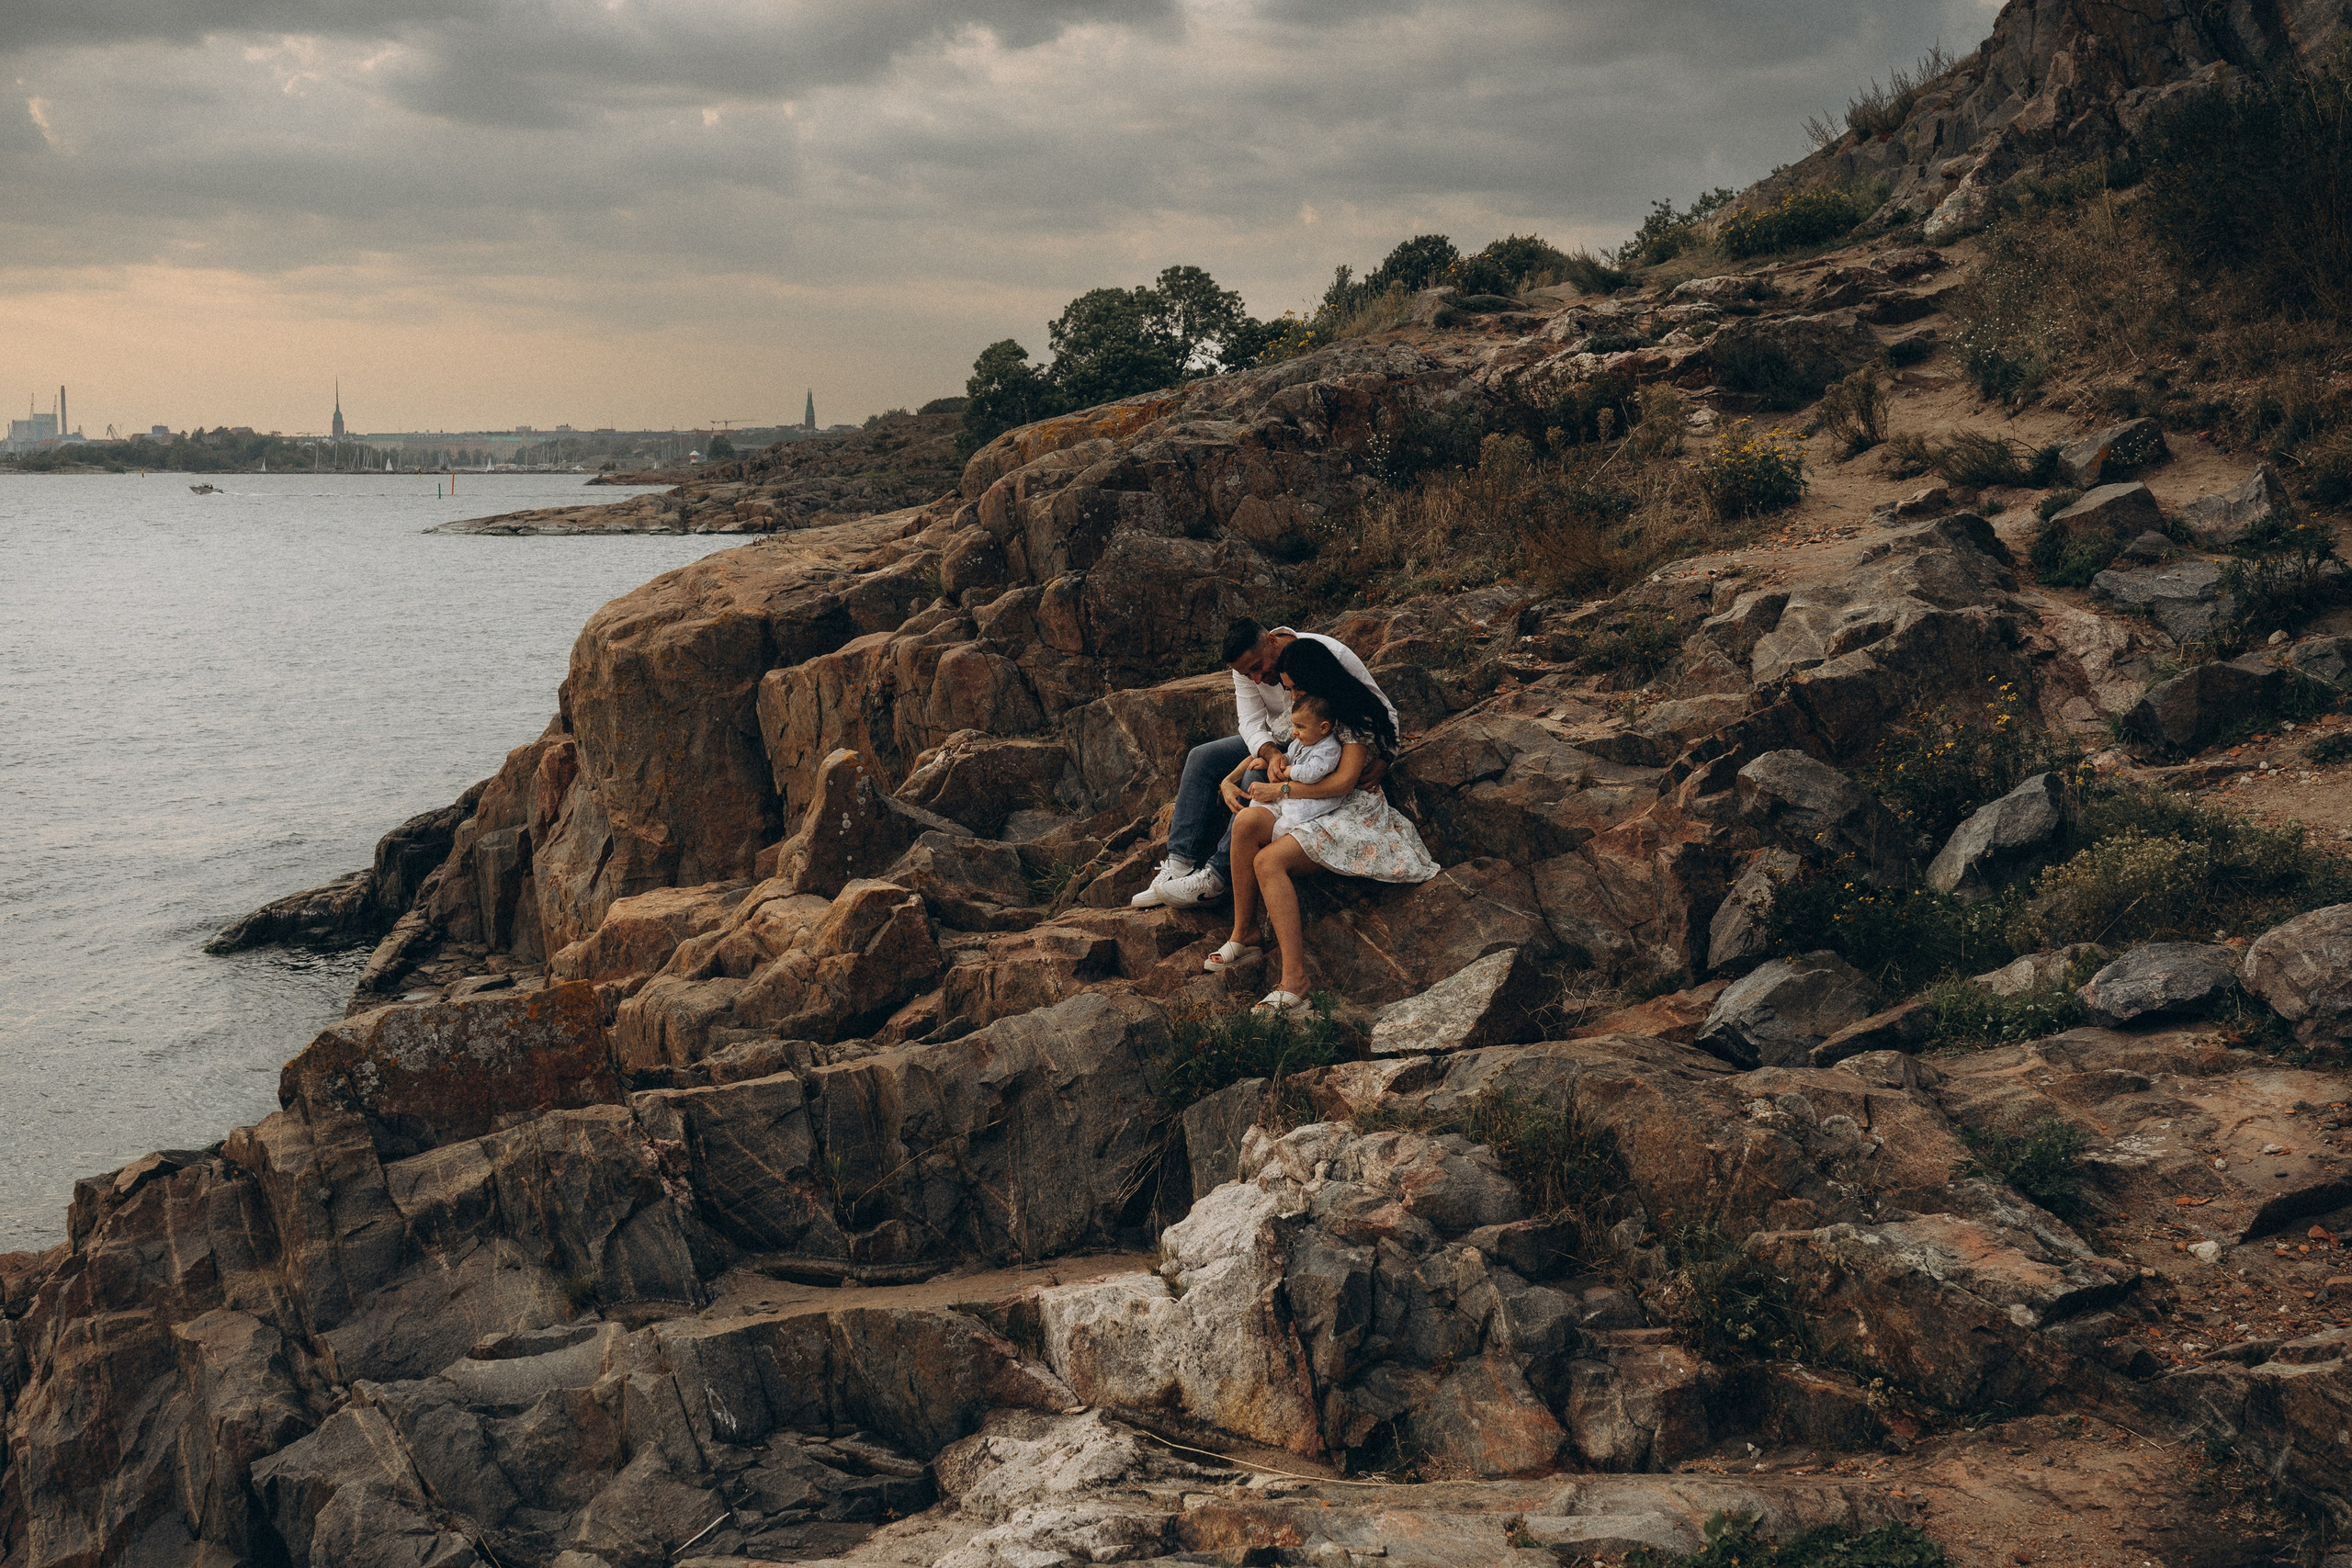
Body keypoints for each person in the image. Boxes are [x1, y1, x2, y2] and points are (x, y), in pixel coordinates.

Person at [1208, 637, 1440, 1014]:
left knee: (1268, 861)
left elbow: (1343, 783)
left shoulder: (1349, 715)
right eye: (1289, 687)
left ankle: (1295, 981)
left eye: (1296, 686)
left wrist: (1281, 788)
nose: (1292, 694)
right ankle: (1245, 932)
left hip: (1345, 809)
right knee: (1247, 821)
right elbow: (1273, 746)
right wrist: (1229, 778)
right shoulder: (1311, 710)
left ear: (1318, 678)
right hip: (1306, 802)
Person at [1133, 617, 1398, 909]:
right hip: (1282, 738)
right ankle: (1178, 866)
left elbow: (1378, 708)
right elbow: (1249, 723)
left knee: (1254, 777)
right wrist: (1270, 754)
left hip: (1318, 742)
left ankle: (1217, 878)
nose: (1256, 679)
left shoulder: (1326, 653)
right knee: (1201, 758)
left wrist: (1386, 758)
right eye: (1248, 674)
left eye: (1257, 668)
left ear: (1272, 641)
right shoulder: (1247, 672)